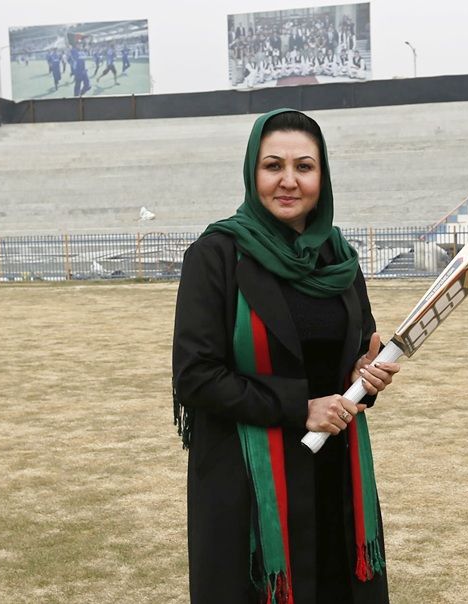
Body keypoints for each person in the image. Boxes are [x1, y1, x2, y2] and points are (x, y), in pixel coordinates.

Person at [172, 108, 400, 604]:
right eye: (273, 165)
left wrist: (365, 376)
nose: (289, 181)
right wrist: (301, 407)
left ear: (323, 175)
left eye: (305, 166)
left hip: (334, 474)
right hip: (250, 483)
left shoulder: (339, 257)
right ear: (253, 172)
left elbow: (355, 353)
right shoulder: (216, 255)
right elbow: (196, 376)